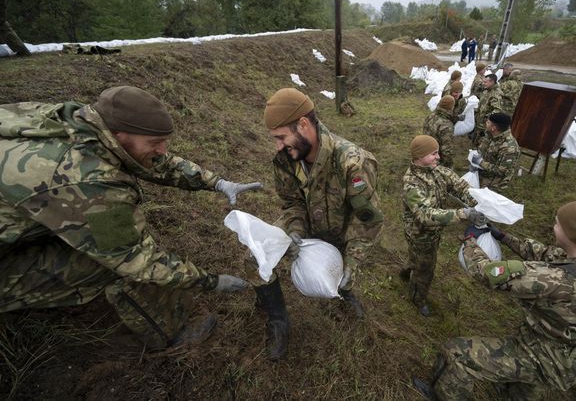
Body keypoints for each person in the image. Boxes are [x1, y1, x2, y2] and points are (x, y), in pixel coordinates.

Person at [0, 86, 262, 350]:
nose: (162, 150)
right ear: (118, 135)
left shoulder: (75, 121)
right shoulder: (90, 181)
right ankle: (172, 332)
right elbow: (137, 261)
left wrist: (217, 183)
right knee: (110, 261)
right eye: (154, 143)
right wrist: (211, 281)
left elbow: (154, 160)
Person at [413, 199, 576, 400]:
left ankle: (442, 395)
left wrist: (470, 242)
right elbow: (547, 254)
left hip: (545, 359)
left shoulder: (552, 279)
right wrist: (504, 237)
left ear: (575, 236)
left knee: (458, 353)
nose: (554, 224)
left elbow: (487, 273)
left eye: (559, 223)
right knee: (524, 390)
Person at [250, 87, 383, 360]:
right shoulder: (285, 158)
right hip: (308, 225)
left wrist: (353, 264)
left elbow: (367, 221)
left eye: (281, 137)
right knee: (256, 253)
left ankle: (345, 291)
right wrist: (296, 231)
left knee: (340, 272)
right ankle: (278, 320)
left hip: (341, 232)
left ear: (303, 124)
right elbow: (291, 202)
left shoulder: (352, 162)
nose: (278, 146)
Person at [399, 135, 484, 317]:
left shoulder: (437, 171)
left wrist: (479, 202)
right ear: (419, 157)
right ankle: (417, 298)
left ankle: (407, 270)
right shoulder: (412, 184)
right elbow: (424, 215)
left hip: (434, 232)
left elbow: (460, 186)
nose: (438, 157)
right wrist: (464, 214)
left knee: (418, 259)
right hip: (420, 235)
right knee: (425, 270)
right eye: (433, 153)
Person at [471, 113, 521, 190]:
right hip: (483, 173)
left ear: (493, 128)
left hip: (494, 182)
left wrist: (481, 163)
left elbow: (501, 171)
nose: (485, 123)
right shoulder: (490, 135)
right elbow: (482, 150)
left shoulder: (509, 148)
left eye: (488, 123)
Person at [471, 74, 503, 147]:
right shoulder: (487, 91)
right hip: (479, 122)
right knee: (476, 141)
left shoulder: (496, 94)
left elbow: (497, 110)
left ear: (492, 82)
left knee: (482, 144)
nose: (483, 83)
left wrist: (487, 119)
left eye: (485, 82)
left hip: (485, 124)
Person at [424, 95, 455, 168]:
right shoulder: (446, 125)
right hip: (437, 159)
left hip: (426, 152)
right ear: (451, 107)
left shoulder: (431, 116)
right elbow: (447, 150)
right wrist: (448, 166)